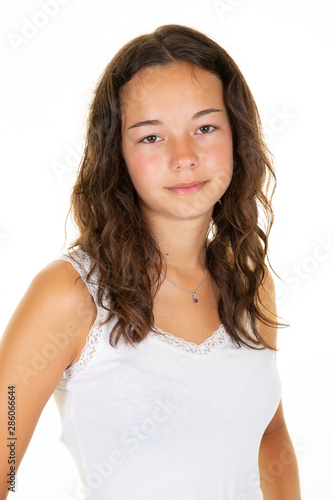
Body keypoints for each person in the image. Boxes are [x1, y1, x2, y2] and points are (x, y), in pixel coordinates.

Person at [0, 24, 301, 499]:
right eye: (150, 137)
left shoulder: (249, 282)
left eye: (205, 127)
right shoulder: (69, 293)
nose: (184, 157)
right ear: (116, 152)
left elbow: (269, 438)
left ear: (236, 135)